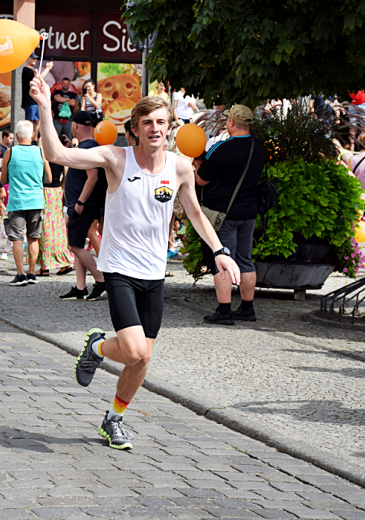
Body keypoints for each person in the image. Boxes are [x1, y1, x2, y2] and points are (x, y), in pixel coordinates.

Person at [30, 73, 240, 450]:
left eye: (162, 122)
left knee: (142, 360)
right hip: (119, 268)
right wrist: (46, 107)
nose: (155, 128)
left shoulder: (178, 168)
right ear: (137, 129)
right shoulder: (115, 158)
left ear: (170, 128)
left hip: (153, 273)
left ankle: (114, 419)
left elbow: (194, 213)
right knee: (133, 349)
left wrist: (221, 252)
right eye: (148, 123)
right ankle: (96, 348)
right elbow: (57, 155)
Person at [196, 105, 265, 325]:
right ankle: (247, 308)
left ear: (232, 123)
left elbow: (201, 180)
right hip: (249, 211)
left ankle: (224, 311)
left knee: (222, 260)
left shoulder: (222, 148)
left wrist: (197, 163)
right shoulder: (259, 146)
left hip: (222, 212)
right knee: (245, 260)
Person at [59, 111, 106, 300]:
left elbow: (92, 177)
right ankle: (80, 287)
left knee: (74, 247)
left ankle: (101, 279)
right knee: (78, 243)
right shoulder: (87, 147)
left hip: (82, 205)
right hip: (79, 203)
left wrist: (80, 202)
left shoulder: (88, 149)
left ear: (76, 126)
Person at [0, 120, 51, 286]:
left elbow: (3, 178)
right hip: (36, 200)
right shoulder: (39, 151)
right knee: (33, 238)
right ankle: (31, 274)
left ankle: (20, 274)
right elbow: (49, 178)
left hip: (17, 201)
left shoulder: (10, 152)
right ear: (33, 136)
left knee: (17, 239)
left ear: (16, 136)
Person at [38, 133, 73, 277]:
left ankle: (45, 267)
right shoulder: (59, 154)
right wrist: (62, 190)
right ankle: (65, 261)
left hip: (46, 191)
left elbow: (47, 176)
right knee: (58, 228)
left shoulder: (45, 155)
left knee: (45, 227)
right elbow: (65, 174)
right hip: (57, 192)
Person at [21, 54, 53, 143]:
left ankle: (35, 139)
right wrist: (47, 68)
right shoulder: (26, 70)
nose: (35, 60)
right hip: (30, 101)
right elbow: (38, 79)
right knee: (30, 121)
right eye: (33, 58)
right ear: (27, 59)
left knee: (37, 122)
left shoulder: (30, 70)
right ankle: (27, 139)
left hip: (34, 101)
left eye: (36, 58)